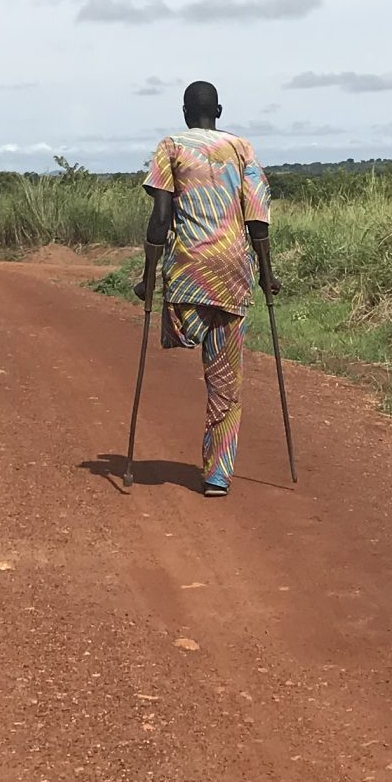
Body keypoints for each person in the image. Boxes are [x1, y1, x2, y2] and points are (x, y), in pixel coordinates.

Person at [134, 80, 276, 497]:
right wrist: (266, 274)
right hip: (232, 272)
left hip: (187, 274)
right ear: (219, 110)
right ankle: (218, 473)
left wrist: (147, 276)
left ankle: (184, 331)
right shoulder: (241, 149)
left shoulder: (171, 146)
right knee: (225, 377)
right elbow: (257, 218)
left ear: (184, 111)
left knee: (184, 329)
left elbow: (161, 216)